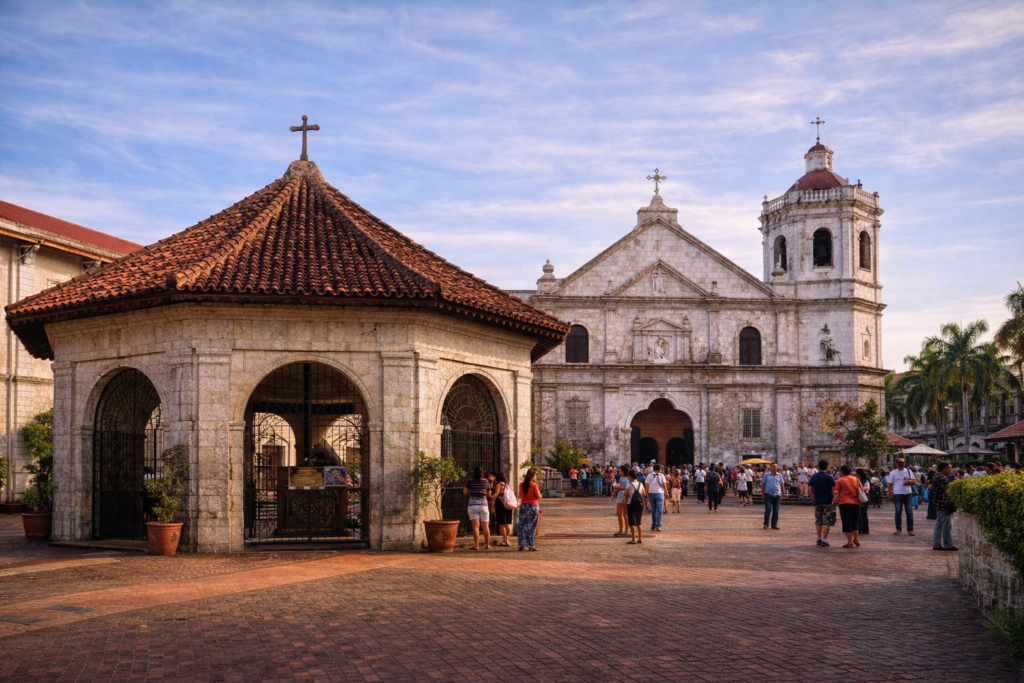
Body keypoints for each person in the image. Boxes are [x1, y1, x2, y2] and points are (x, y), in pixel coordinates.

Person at [835, 465, 866, 548]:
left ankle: (850, 542)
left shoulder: (840, 480)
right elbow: (861, 489)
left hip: (844, 503)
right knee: (855, 521)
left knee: (847, 522)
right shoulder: (856, 479)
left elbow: (835, 492)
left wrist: (833, 502)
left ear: (841, 472)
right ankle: (856, 538)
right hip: (855, 503)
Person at [463, 466, 492, 551]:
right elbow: (489, 494)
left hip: (473, 505)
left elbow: (465, 492)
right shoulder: (486, 481)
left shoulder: (470, 481)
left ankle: (476, 545)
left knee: (475, 526)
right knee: (485, 526)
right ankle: (487, 544)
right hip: (484, 505)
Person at [931, 461, 958, 551]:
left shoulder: (936, 475)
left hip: (938, 503)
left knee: (939, 524)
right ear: (944, 468)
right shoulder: (943, 478)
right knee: (947, 525)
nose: (950, 470)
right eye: (949, 468)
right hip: (944, 504)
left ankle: (937, 544)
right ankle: (948, 544)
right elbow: (947, 490)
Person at [808, 459, 836, 546]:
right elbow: (834, 490)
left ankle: (819, 538)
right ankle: (824, 539)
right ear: (827, 467)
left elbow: (810, 488)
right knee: (826, 521)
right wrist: (834, 501)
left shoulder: (814, 476)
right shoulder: (829, 477)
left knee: (819, 520)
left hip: (818, 501)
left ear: (818, 467)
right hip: (827, 501)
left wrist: (812, 497)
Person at [887, 458, 916, 536]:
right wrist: (890, 495)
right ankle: (898, 529)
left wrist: (908, 482)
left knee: (909, 512)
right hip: (897, 494)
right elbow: (889, 484)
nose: (901, 465)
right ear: (896, 464)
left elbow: (914, 481)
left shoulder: (909, 471)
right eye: (900, 463)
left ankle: (910, 529)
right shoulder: (893, 473)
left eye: (902, 463)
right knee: (898, 512)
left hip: (908, 493)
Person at [517, 468, 541, 551]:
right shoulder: (534, 485)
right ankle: (531, 545)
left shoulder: (521, 484)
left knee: (522, 525)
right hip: (533, 506)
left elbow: (519, 495)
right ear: (533, 476)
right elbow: (538, 496)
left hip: (523, 506)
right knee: (532, 526)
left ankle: (522, 544)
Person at [490, 472, 514, 547]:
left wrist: (492, 497)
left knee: (501, 523)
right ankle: (507, 539)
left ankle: (504, 540)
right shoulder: (507, 485)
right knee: (508, 523)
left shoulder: (498, 485)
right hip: (508, 504)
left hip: (501, 505)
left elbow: (496, 493)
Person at [625, 469, 646, 544]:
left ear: (630, 476)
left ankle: (633, 539)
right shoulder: (640, 484)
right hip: (639, 504)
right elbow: (644, 493)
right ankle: (640, 538)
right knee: (639, 522)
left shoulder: (629, 484)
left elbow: (626, 493)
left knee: (632, 522)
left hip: (631, 504)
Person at [761, 462, 784, 530]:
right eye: (773, 466)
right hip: (768, 494)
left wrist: (783, 492)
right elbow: (763, 484)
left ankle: (774, 524)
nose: (774, 468)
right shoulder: (766, 475)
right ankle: (766, 523)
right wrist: (763, 494)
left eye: (775, 466)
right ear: (770, 467)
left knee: (776, 510)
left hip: (777, 494)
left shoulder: (779, 475)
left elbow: (782, 484)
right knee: (768, 509)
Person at [645, 464, 668, 531]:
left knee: (654, 510)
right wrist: (666, 492)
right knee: (660, 511)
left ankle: (654, 525)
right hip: (660, 493)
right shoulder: (662, 475)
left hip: (651, 493)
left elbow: (646, 485)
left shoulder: (649, 475)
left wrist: (646, 493)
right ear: (659, 469)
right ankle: (658, 525)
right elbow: (664, 485)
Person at [613, 465, 630, 537]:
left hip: (622, 496)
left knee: (620, 514)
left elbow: (626, 488)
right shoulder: (623, 478)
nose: (619, 472)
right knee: (625, 514)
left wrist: (618, 487)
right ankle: (625, 530)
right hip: (622, 496)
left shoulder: (625, 479)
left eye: (620, 470)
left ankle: (622, 530)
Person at [856, 467, 871, 535]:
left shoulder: (865, 480)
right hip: (860, 497)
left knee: (863, 513)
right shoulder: (858, 480)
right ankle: (860, 529)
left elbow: (867, 488)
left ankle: (864, 529)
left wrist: (859, 488)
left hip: (864, 498)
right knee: (860, 514)